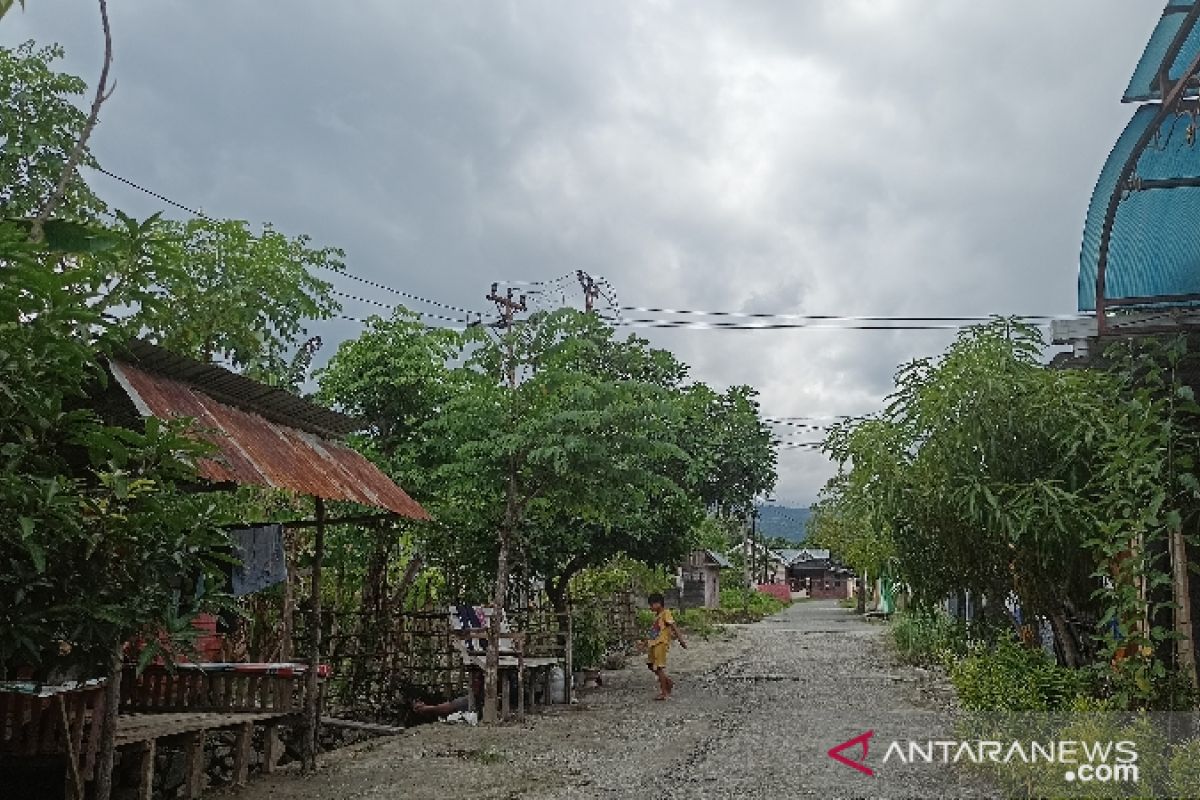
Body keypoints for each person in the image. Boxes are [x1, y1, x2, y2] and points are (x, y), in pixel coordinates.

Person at [642, 592, 686, 701]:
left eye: (651, 604)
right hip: (653, 644)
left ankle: (664, 692)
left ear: (658, 604)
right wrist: (645, 643)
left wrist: (681, 640)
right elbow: (654, 632)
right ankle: (667, 682)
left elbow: (674, 626)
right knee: (650, 665)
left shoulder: (666, 613)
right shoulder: (657, 616)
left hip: (660, 644)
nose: (650, 607)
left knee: (659, 667)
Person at [412, 670, 484, 719]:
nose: (472, 684)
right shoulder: (471, 698)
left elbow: (451, 707)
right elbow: (451, 705)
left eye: (477, 679)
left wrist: (428, 709)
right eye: (473, 679)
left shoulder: (480, 699)